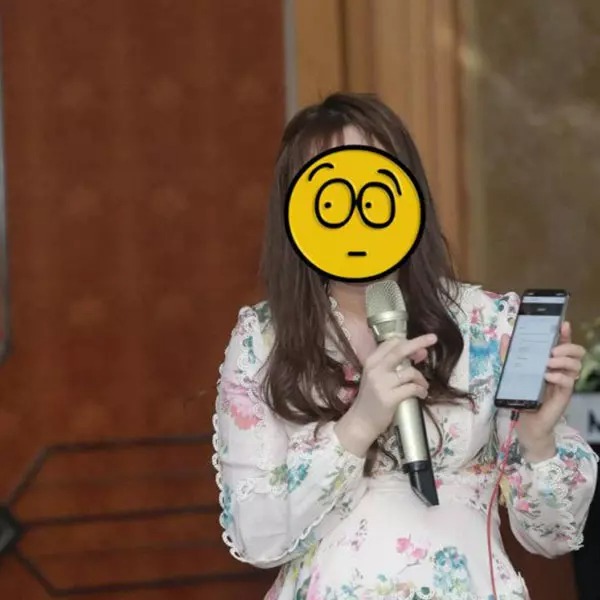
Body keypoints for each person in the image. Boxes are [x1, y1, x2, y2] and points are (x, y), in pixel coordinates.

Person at [212, 93, 598, 600]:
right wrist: (358, 425)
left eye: (372, 189)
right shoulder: (264, 339)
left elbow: (552, 536)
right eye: (330, 195)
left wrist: (538, 438)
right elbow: (257, 537)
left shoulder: (487, 325)